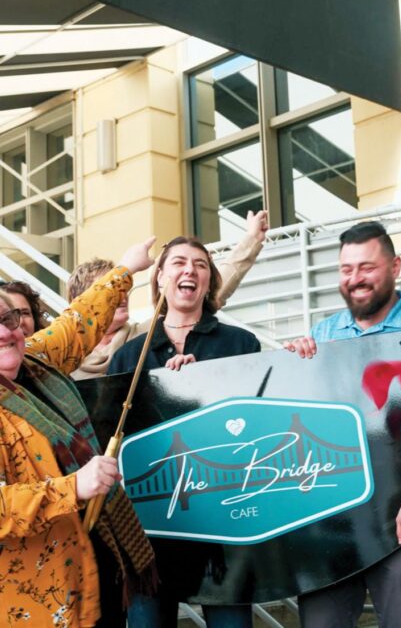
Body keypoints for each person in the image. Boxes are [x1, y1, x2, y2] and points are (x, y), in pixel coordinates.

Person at [0, 238, 156, 628]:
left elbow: (76, 326)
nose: (1, 332)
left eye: (8, 319)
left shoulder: (32, 361)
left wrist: (125, 271)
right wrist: (74, 487)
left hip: (87, 569)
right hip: (27, 599)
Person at [283, 220, 401, 628]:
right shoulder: (324, 333)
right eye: (347, 270)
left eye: (367, 267)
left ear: (395, 266)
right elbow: (299, 421)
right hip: (332, 525)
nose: (355, 279)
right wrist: (291, 365)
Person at [109, 235, 261, 627]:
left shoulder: (241, 343)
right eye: (177, 262)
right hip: (149, 531)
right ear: (159, 277)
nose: (189, 270)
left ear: (210, 282)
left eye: (201, 264)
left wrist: (202, 391)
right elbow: (118, 435)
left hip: (223, 531)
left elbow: (255, 424)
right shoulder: (130, 354)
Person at [72, 209, 267, 380]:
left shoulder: (143, 336)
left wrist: (252, 240)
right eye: (110, 291)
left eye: (123, 288)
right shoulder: (65, 359)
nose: (122, 296)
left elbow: (206, 289)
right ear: (83, 302)